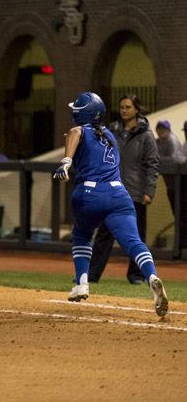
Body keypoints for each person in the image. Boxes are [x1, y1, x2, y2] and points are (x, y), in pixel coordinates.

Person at [53, 92, 168, 316]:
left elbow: (77, 132)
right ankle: (152, 276)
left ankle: (82, 283)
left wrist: (66, 162)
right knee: (134, 242)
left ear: (82, 113)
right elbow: (81, 136)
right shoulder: (110, 136)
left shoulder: (81, 130)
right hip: (119, 195)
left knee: (82, 236)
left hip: (89, 194)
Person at [88, 94, 158, 284]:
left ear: (136, 109)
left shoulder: (147, 136)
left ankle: (136, 275)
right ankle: (92, 274)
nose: (124, 110)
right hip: (112, 191)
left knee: (136, 236)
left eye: (128, 107)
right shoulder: (111, 131)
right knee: (104, 234)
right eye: (122, 107)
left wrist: (149, 191)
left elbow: (152, 165)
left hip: (135, 193)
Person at [155, 119, 184, 216]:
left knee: (180, 210)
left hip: (179, 182)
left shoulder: (172, 140)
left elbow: (173, 160)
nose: (160, 130)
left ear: (169, 130)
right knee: (176, 211)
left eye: (163, 128)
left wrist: (158, 160)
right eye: (159, 128)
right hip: (170, 184)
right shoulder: (157, 142)